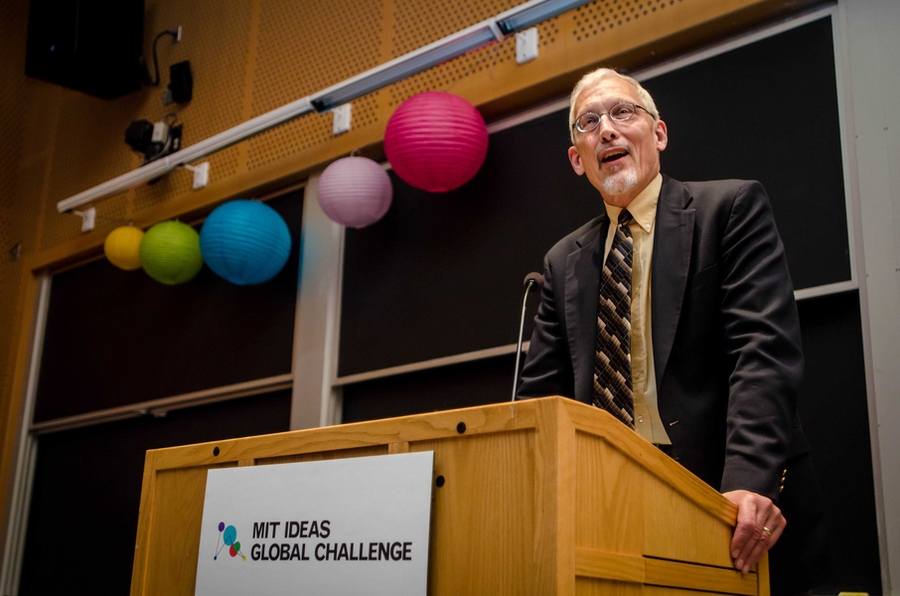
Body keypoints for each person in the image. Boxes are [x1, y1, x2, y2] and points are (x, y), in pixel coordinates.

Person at [517, 67, 827, 595]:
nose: (606, 129)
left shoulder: (729, 209)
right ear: (577, 160)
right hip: (612, 506)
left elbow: (762, 353)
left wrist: (747, 482)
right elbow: (540, 403)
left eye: (623, 112)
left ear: (658, 133)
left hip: (731, 494)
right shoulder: (561, 262)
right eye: (588, 122)